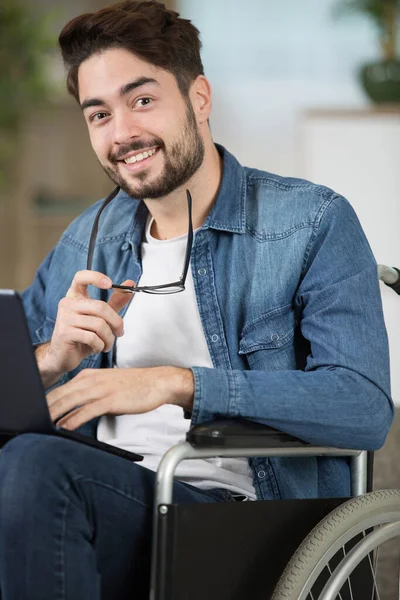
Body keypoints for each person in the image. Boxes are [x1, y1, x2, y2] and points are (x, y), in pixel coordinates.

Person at [0, 1, 394, 598]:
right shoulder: (88, 240)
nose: (122, 133)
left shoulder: (310, 221)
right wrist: (50, 358)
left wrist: (178, 383)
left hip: (243, 520)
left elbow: (363, 407)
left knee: (35, 468)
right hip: (107, 501)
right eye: (98, 114)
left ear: (199, 98)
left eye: (142, 100)